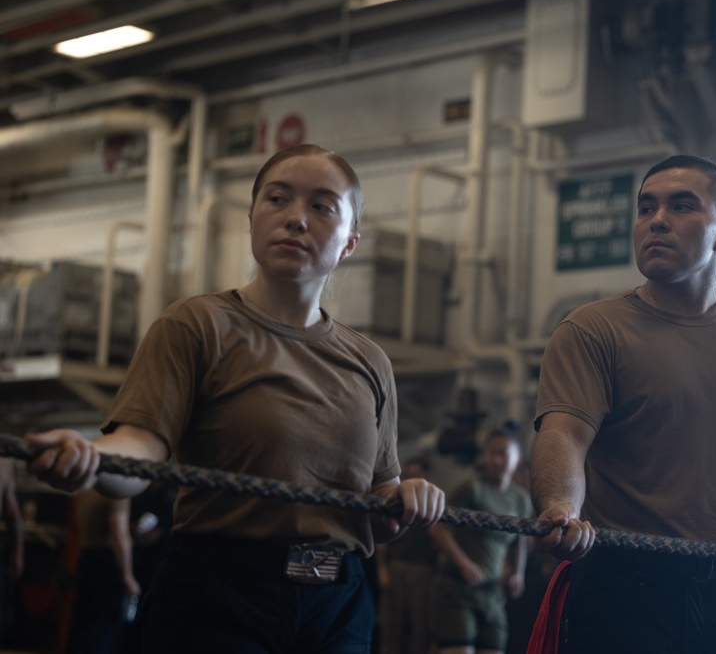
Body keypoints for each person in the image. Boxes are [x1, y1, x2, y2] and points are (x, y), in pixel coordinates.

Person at [23, 144, 447, 653]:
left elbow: (379, 507)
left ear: (350, 241)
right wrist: (92, 459)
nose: (295, 219)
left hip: (337, 604)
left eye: (322, 206)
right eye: (277, 199)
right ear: (251, 219)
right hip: (219, 596)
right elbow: (140, 445)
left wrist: (409, 498)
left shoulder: (371, 362)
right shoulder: (197, 325)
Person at [530, 154, 716, 653]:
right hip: (622, 588)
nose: (657, 221)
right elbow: (564, 435)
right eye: (646, 208)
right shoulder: (590, 329)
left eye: (682, 206)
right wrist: (561, 507)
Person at [429, 424, 533, 654]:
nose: (497, 459)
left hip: (493, 593)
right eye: (492, 453)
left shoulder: (520, 499)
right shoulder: (471, 488)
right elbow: (438, 528)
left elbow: (519, 542)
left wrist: (518, 573)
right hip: (459, 589)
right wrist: (465, 564)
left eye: (503, 453)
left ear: (517, 458)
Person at [65, 490, 141, 654]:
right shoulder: (117, 488)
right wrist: (128, 577)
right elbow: (119, 533)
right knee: (103, 631)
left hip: (86, 558)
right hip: (106, 565)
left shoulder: (89, 487)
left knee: (83, 626)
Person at [376, 457, 438, 654]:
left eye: (417, 473)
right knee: (392, 626)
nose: (413, 478)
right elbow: (382, 541)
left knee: (420, 628)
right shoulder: (398, 502)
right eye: (410, 474)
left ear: (427, 476)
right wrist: (382, 569)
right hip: (398, 567)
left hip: (422, 571)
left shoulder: (434, 504)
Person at [0, 458, 23, 642]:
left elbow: (12, 511)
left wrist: (18, 552)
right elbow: (12, 510)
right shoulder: (4, 461)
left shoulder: (4, 461)